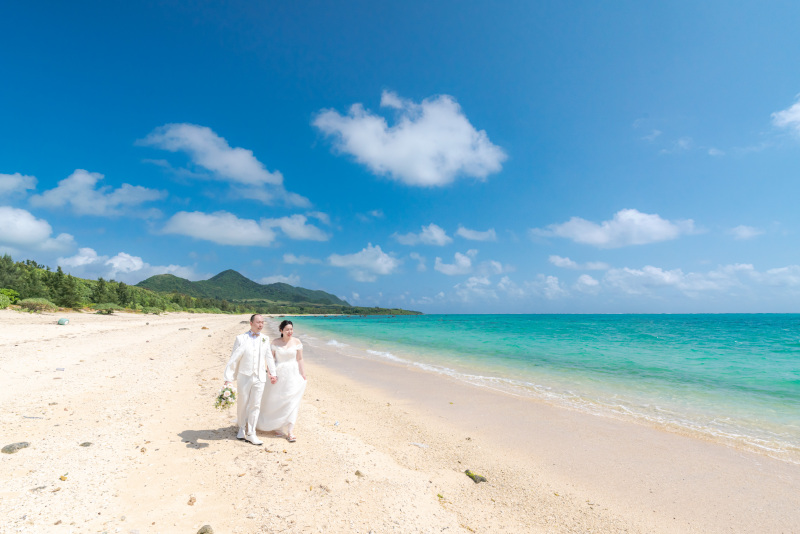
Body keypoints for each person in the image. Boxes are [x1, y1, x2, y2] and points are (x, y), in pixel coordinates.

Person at [223, 314, 277, 445]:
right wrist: (228, 378)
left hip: (260, 377)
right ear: (251, 323)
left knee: (256, 405)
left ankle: (251, 432)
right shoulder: (241, 339)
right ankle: (241, 428)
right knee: (242, 403)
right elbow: (233, 359)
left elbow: (269, 357)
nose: (261, 325)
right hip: (244, 376)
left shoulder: (265, 338)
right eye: (258, 322)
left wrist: (273, 373)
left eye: (262, 322)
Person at [257, 319, 307, 442]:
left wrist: (303, 374)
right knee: (276, 400)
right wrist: (270, 374)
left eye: (291, 329)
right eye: (287, 329)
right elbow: (270, 360)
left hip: (292, 374)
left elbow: (300, 359)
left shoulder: (297, 342)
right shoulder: (275, 342)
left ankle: (290, 431)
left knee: (291, 400)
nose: (290, 331)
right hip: (279, 374)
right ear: (281, 330)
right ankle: (278, 427)